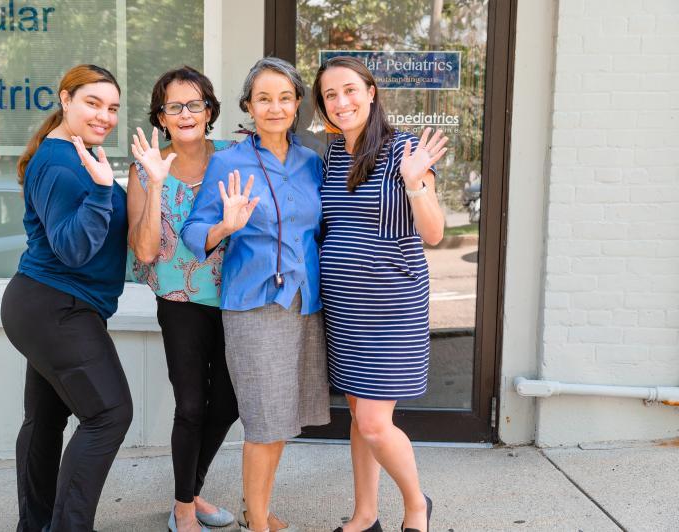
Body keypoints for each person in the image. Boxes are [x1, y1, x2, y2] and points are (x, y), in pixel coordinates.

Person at [181, 57, 330, 532]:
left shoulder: (312, 161)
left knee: (283, 418)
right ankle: (259, 523)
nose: (275, 107)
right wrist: (225, 225)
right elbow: (192, 232)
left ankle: (255, 508)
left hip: (304, 303)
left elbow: (322, 230)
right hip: (254, 306)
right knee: (264, 422)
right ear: (248, 104)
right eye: (264, 98)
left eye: (285, 97)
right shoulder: (228, 161)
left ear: (297, 105)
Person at [312, 56, 448, 532]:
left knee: (373, 422)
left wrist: (415, 185)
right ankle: (365, 514)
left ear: (370, 92)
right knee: (357, 414)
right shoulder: (331, 155)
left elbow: (433, 233)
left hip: (393, 308)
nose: (341, 101)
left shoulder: (404, 150)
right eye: (330, 94)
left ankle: (416, 506)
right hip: (346, 309)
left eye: (350, 90)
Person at [0, 64, 132, 532]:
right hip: (57, 306)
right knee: (109, 414)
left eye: (112, 107)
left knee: (45, 418)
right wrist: (102, 191)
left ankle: (34, 526)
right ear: (66, 99)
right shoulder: (59, 163)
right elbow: (73, 248)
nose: (104, 116)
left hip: (43, 306)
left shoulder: (75, 154)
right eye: (93, 103)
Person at [126, 66, 239, 532]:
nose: (186, 113)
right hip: (180, 301)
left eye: (195, 104)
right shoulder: (144, 168)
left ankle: (190, 492)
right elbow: (147, 250)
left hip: (236, 298)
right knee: (191, 405)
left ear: (209, 111)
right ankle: (185, 506)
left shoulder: (235, 156)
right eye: (175, 106)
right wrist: (156, 182)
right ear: (161, 116)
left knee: (229, 404)